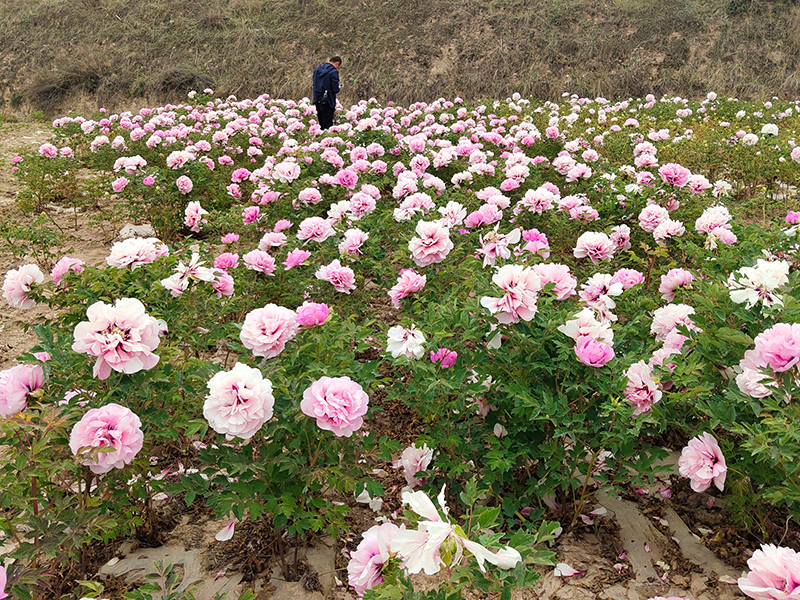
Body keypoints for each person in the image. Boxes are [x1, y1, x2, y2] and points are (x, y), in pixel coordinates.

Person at [312, 56, 341, 131]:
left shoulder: (317, 70)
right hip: (328, 100)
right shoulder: (333, 72)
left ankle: (321, 139)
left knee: (321, 123)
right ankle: (327, 140)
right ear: (337, 63)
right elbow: (335, 89)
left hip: (317, 99)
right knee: (328, 125)